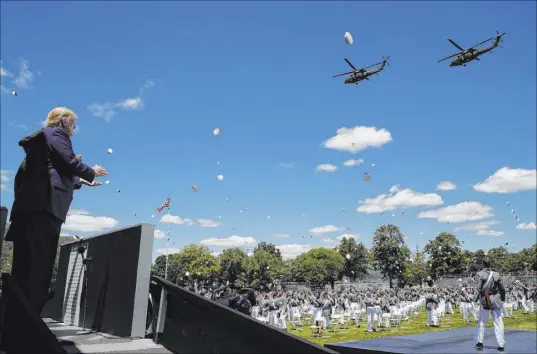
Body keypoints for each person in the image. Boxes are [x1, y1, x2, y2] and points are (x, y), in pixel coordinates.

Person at [4, 107, 108, 315]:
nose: (74, 128)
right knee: (40, 268)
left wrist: (80, 181)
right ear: (62, 121)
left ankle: (12, 324)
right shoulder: (55, 134)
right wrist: (91, 172)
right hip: (46, 210)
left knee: (23, 269)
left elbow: (53, 171)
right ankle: (28, 326)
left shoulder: (39, 145)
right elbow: (68, 161)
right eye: (73, 123)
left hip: (30, 211)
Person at [475, 258, 506, 352]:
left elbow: (478, 289)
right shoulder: (496, 274)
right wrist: (503, 299)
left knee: (482, 322)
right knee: (498, 323)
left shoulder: (479, 274)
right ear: (490, 263)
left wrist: (476, 299)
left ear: (482, 264)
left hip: (485, 299)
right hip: (496, 300)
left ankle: (480, 342)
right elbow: (502, 289)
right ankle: (501, 344)